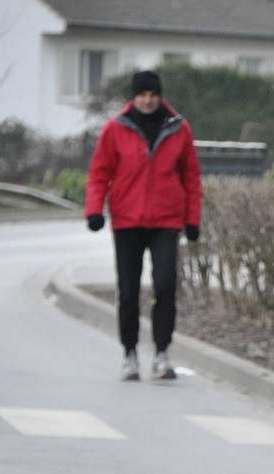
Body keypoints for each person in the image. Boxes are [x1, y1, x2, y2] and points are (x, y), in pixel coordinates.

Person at [86, 70, 203, 381]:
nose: (148, 101)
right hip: (127, 221)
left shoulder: (178, 128)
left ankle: (162, 353)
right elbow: (99, 173)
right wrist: (94, 211)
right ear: (133, 97)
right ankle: (130, 354)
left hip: (166, 220)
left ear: (160, 97)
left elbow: (191, 177)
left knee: (165, 285)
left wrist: (192, 220)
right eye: (142, 95)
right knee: (128, 290)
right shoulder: (115, 128)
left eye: (153, 95)